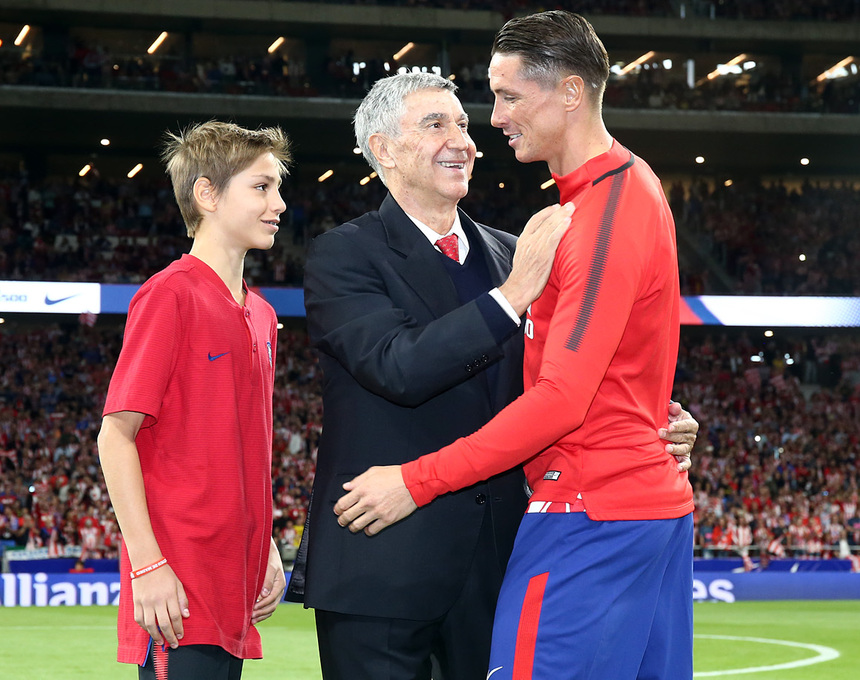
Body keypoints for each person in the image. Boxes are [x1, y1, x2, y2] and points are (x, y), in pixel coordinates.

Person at [286, 72, 697, 680]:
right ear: (382, 150)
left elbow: (567, 371)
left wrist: (655, 415)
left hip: (497, 564)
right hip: (383, 563)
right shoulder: (341, 255)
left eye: (464, 124)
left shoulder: (515, 250)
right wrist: (511, 298)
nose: (464, 140)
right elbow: (397, 366)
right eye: (435, 125)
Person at [98, 121, 290, 680]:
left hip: (236, 588)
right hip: (176, 594)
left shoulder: (263, 314)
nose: (279, 203)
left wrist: (269, 541)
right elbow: (115, 436)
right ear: (207, 194)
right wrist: (148, 563)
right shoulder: (170, 295)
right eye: (261, 187)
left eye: (278, 188)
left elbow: (246, 450)